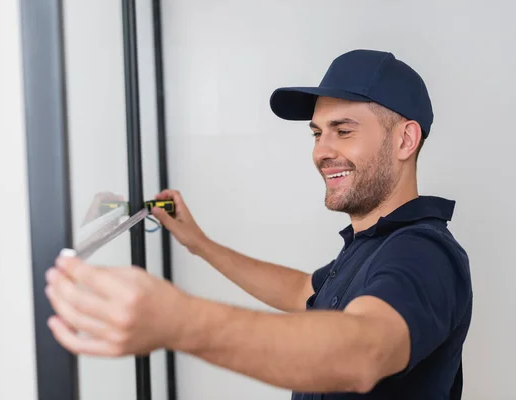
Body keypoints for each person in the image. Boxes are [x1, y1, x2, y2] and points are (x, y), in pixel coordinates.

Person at [45, 49, 473, 399]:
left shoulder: (422, 253)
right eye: (316, 133)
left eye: (343, 131)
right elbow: (301, 291)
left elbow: (361, 351)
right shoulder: (371, 244)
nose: (321, 151)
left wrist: (177, 321)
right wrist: (201, 244)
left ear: (405, 140)